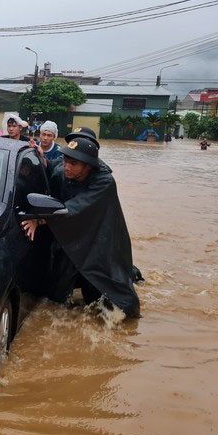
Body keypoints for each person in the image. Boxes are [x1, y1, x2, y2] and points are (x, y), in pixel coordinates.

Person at [21, 135, 141, 318]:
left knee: (112, 301)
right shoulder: (65, 170)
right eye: (65, 160)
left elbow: (75, 208)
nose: (67, 166)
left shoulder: (104, 182)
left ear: (88, 166)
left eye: (73, 163)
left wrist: (39, 219)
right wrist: (42, 158)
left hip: (99, 240)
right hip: (73, 238)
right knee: (57, 295)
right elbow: (54, 167)